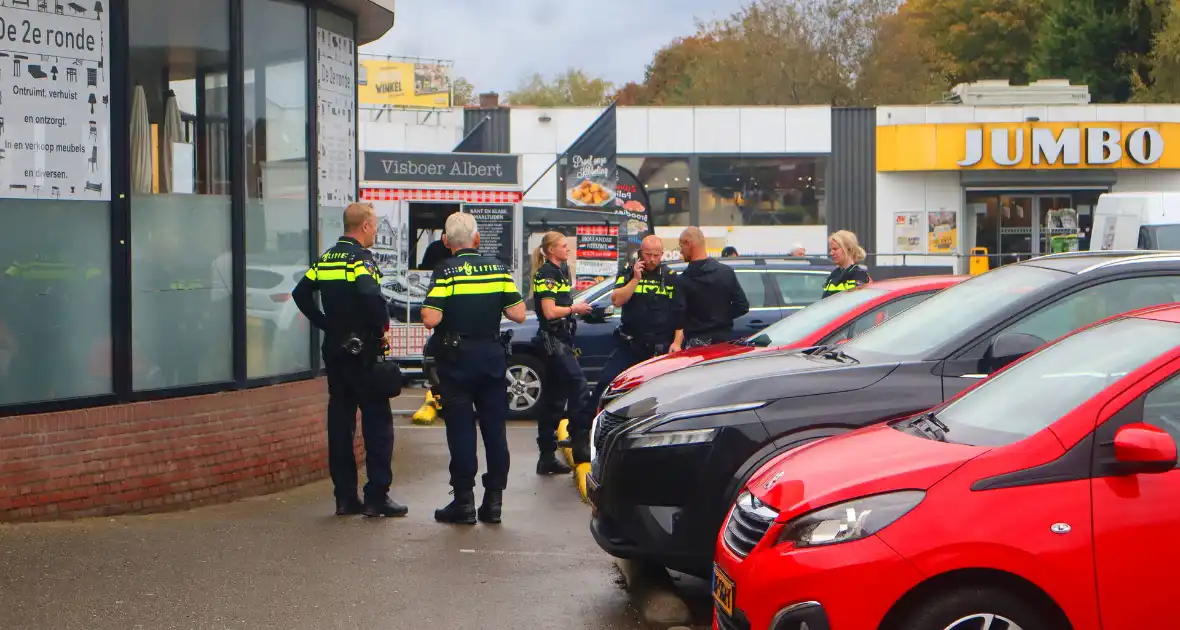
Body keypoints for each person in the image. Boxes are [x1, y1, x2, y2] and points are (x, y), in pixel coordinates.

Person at [292, 202, 407, 519]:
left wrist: (327, 324)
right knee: (377, 426)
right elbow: (370, 295)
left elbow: (300, 293)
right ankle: (376, 497)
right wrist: (381, 329)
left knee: (341, 427)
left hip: (336, 350)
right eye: (374, 226)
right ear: (367, 225)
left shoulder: (327, 258)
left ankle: (345, 498)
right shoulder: (361, 259)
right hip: (364, 353)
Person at [421, 212, 527, 525]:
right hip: (492, 358)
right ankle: (493, 501)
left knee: (461, 431)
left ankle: (463, 503)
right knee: (495, 431)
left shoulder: (445, 271)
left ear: (445, 242)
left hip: (456, 362)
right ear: (477, 239)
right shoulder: (496, 269)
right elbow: (518, 313)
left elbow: (430, 318)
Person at [531, 231, 594, 486]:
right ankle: (579, 442)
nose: (567, 249)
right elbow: (548, 311)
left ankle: (546, 455)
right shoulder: (546, 273)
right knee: (579, 386)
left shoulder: (561, 270)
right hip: (553, 341)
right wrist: (573, 309)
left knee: (555, 398)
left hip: (563, 339)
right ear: (550, 250)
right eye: (563, 246)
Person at [590, 235, 678, 408]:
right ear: (640, 253)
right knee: (606, 382)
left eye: (656, 255)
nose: (652, 260)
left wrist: (676, 341)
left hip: (657, 345)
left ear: (662, 254)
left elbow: (679, 312)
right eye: (647, 255)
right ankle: (587, 428)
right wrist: (635, 279)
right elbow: (616, 300)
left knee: (657, 393)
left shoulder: (670, 276)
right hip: (630, 344)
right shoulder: (628, 272)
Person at [670, 227, 750, 352]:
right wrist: (722, 317)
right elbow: (743, 306)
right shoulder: (726, 272)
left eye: (681, 246)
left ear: (688, 243)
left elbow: (679, 317)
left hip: (696, 346)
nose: (681, 251)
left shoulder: (683, 280)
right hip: (724, 343)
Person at [822, 230, 872, 299]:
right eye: (830, 249)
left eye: (835, 249)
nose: (831, 253)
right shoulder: (833, 275)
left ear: (848, 249)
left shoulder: (859, 276)